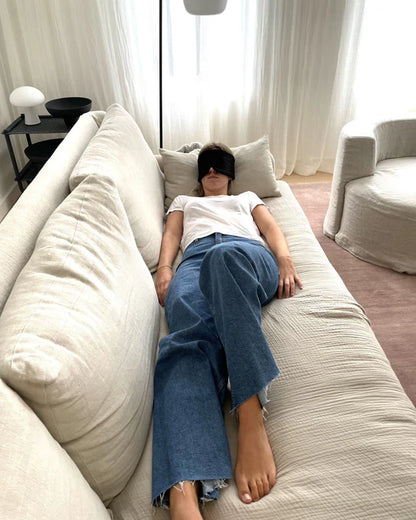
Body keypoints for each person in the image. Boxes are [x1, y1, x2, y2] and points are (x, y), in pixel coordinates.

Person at [152, 142, 302, 519]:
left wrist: (284, 259)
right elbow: (172, 236)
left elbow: (270, 228)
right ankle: (184, 488)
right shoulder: (184, 201)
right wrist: (165, 269)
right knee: (184, 344)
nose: (212, 172)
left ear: (231, 174)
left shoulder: (246, 198)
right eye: (206, 167)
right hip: (193, 263)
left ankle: (250, 414)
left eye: (219, 166)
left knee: (224, 259)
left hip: (246, 255)